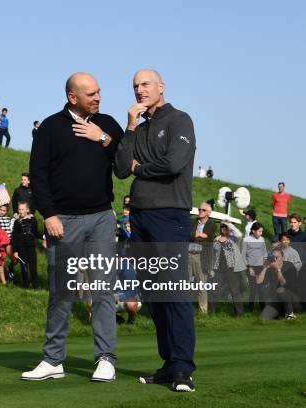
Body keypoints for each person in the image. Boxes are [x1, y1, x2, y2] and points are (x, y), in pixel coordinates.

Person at [25, 72, 123, 382]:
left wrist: (102, 137)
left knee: (103, 290)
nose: (98, 97)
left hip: (102, 218)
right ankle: (54, 359)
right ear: (72, 97)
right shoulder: (50, 128)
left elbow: (123, 165)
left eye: (99, 92)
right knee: (62, 293)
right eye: (91, 93)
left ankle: (105, 358)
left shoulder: (106, 123)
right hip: (62, 222)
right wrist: (49, 214)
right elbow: (37, 174)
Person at [114, 69, 196, 391]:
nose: (139, 90)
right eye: (135, 86)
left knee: (173, 291)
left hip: (170, 215)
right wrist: (131, 128)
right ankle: (168, 364)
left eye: (145, 84)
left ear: (161, 87)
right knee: (153, 295)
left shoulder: (180, 120)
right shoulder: (141, 127)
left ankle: (182, 369)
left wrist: (140, 168)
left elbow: (174, 164)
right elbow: (121, 168)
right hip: (141, 218)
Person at [210, 222, 247, 315]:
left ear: (229, 229)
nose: (223, 228)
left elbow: (239, 234)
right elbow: (213, 254)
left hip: (232, 269)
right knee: (215, 292)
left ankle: (240, 314)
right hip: (218, 270)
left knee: (235, 292)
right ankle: (211, 313)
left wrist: (228, 223)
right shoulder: (216, 239)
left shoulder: (233, 239)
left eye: (225, 227)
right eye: (222, 227)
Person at [260, 247, 301, 320]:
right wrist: (265, 268)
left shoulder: (290, 266)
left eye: (277, 257)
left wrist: (278, 269)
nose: (274, 259)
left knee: (280, 290)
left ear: (283, 257)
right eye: (273, 257)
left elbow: (283, 284)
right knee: (263, 318)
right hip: (277, 301)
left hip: (292, 301)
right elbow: (259, 282)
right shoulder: (270, 268)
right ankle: (281, 314)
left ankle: (290, 315)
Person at [189, 202, 215, 314]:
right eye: (199, 209)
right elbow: (188, 235)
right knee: (185, 283)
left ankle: (203, 311)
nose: (200, 211)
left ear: (209, 212)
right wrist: (199, 235)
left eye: (203, 210)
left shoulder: (212, 224)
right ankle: (184, 309)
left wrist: (196, 235)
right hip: (189, 255)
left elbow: (208, 238)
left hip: (201, 257)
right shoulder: (192, 221)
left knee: (201, 285)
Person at [242, 222, 268, 311]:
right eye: (259, 231)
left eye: (262, 231)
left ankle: (263, 308)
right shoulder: (246, 240)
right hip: (251, 267)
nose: (261, 233)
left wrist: (265, 266)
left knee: (261, 288)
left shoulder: (262, 239)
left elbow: (265, 253)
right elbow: (243, 255)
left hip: (261, 267)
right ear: (253, 231)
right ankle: (250, 308)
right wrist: (249, 268)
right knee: (253, 288)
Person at [12, 201, 39, 288]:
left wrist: (44, 237)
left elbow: (36, 232)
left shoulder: (33, 220)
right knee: (24, 267)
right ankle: (25, 285)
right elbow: (15, 237)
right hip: (21, 248)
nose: (20, 211)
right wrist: (15, 250)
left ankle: (35, 286)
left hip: (31, 247)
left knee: (33, 267)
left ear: (27, 210)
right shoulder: (17, 222)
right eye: (19, 209)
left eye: (22, 209)